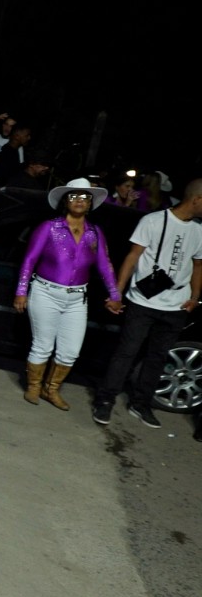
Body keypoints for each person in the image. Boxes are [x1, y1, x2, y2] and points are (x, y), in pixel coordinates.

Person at [92, 178, 202, 429]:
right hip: (143, 301)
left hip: (177, 305)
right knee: (126, 352)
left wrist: (194, 296)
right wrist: (116, 293)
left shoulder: (199, 229)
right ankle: (105, 399)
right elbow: (132, 257)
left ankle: (141, 403)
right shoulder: (153, 221)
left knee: (158, 356)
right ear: (197, 199)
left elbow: (198, 265)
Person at [13, 179, 122, 409]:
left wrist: (114, 294)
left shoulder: (94, 232)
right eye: (74, 196)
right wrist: (21, 291)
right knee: (43, 345)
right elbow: (30, 259)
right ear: (65, 201)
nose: (79, 201)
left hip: (77, 298)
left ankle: (51, 389)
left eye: (85, 197)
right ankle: (34, 386)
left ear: (90, 203)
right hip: (46, 292)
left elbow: (104, 264)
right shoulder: (49, 227)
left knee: (71, 351)